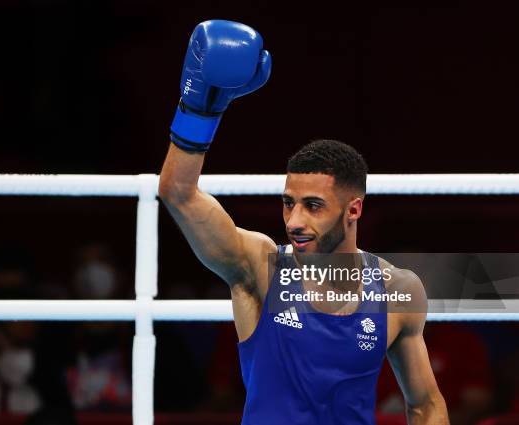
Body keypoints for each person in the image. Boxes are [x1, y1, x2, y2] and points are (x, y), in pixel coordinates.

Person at [158, 19, 449, 424]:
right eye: (288, 203)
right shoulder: (258, 266)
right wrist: (200, 110)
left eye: (313, 206)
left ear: (354, 210)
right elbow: (178, 193)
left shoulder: (399, 289)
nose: (294, 220)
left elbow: (426, 404)